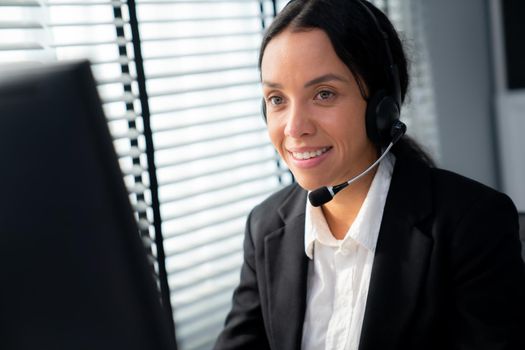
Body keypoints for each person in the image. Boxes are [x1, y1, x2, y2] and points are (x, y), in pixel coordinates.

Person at [214, 0, 525, 349]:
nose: (294, 127)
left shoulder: (472, 225)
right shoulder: (266, 227)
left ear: (382, 108)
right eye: (276, 99)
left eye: (324, 94)